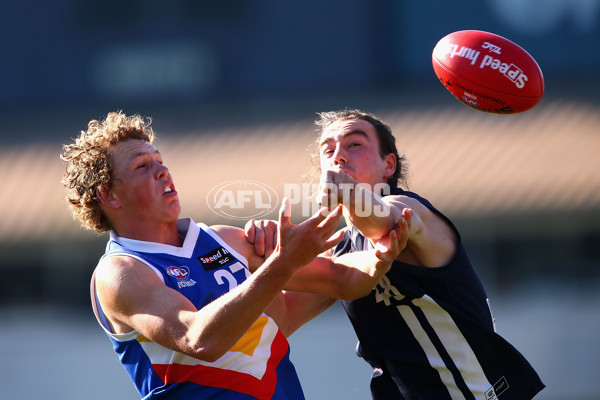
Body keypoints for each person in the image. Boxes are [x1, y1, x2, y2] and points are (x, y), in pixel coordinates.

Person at [59, 110, 410, 400]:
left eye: (160, 161)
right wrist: (283, 262)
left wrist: (382, 247)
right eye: (141, 167)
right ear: (110, 196)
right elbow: (200, 338)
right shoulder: (120, 273)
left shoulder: (225, 240)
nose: (162, 171)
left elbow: (340, 280)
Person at [246, 109, 545, 399]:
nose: (338, 155)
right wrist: (261, 253)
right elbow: (280, 319)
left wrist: (348, 193)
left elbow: (382, 223)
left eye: (354, 143)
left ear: (388, 166)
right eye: (327, 151)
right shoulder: (343, 254)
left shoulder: (410, 210)